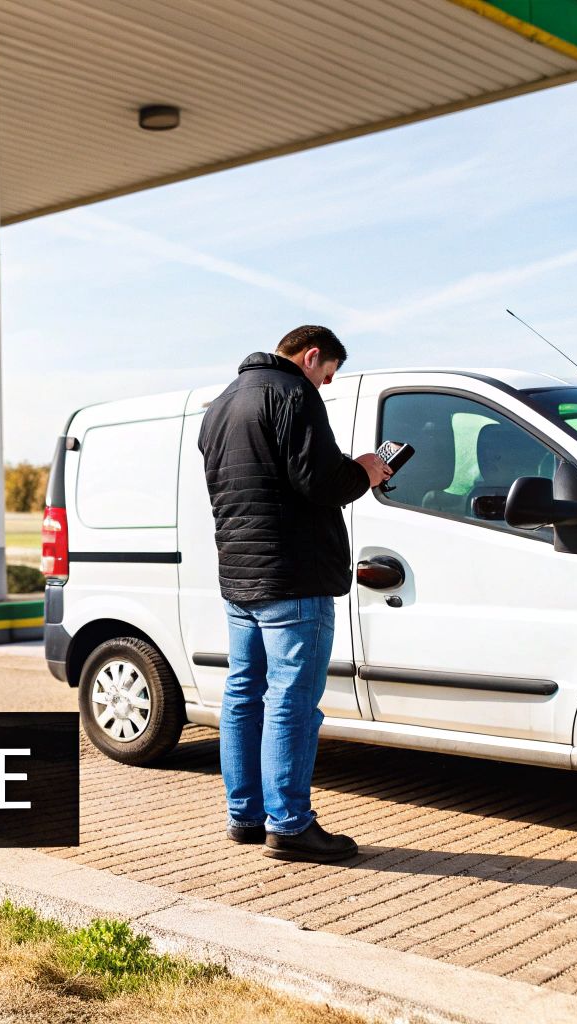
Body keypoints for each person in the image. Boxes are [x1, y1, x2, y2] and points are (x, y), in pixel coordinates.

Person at [197, 325, 392, 863]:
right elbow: (319, 483)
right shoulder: (292, 393)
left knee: (242, 695)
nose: (325, 386)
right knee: (291, 701)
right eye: (327, 375)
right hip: (295, 576)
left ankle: (246, 816)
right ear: (311, 357)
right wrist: (366, 470)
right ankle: (289, 823)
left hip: (239, 575)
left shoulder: (221, 405)